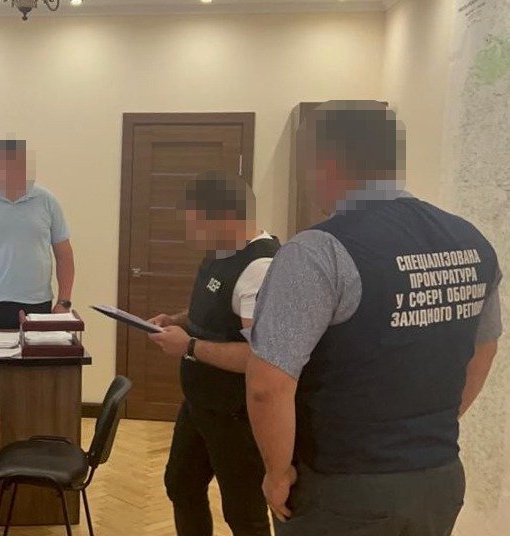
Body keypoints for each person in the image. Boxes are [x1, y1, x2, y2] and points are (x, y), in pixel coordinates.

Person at [246, 100, 502, 536]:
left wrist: (276, 473)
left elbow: (268, 385)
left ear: (326, 163)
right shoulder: (470, 241)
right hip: (438, 479)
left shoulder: (317, 251)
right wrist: (427, 431)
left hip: (343, 489)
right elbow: (485, 347)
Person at [147, 171, 278, 536]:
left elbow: (260, 357)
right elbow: (215, 310)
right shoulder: (219, 252)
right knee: (181, 485)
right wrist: (177, 320)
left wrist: (188, 346)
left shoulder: (261, 268)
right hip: (201, 403)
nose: (190, 234)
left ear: (227, 217)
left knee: (243, 513)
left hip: (237, 414)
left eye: (195, 225)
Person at [0, 139, 75, 329]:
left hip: (37, 304)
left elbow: (65, 256)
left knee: (38, 350)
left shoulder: (47, 201)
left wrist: (64, 302)